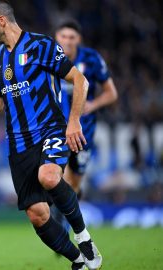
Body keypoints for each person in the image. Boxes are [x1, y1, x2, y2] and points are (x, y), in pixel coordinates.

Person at [0, 1, 102, 269]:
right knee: (37, 214)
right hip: (19, 143)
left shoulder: (41, 45)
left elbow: (80, 80)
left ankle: (84, 237)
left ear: (1, 21)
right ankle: (79, 261)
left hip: (50, 129)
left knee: (49, 177)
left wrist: (74, 121)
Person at [55, 19, 118, 197]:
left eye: (72, 37)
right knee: (57, 177)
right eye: (63, 36)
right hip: (55, 128)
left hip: (84, 130)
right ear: (56, 37)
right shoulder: (48, 59)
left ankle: (70, 213)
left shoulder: (91, 59)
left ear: (79, 39)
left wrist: (93, 104)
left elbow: (111, 93)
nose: (67, 40)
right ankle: (57, 222)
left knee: (74, 183)